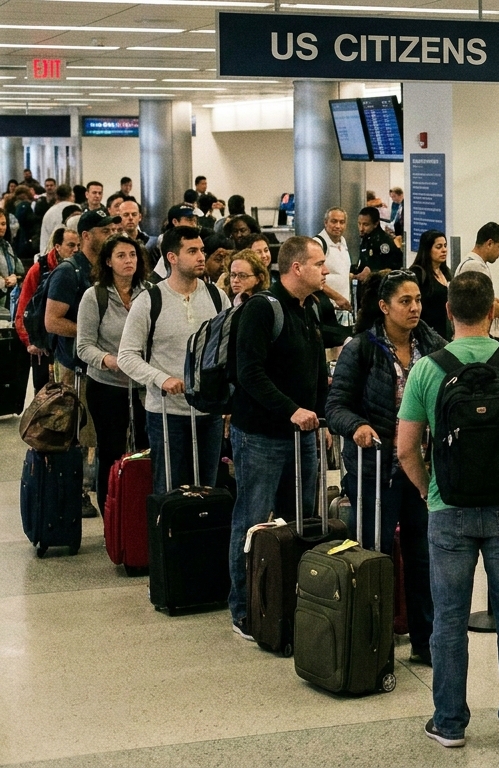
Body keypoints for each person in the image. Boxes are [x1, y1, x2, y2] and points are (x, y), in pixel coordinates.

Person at [397, 270, 499, 749]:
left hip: (448, 509)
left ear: (447, 312)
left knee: (449, 618)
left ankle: (449, 723)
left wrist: (432, 488)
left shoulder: (429, 368)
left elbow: (406, 447)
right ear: (493, 311)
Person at [327, 270, 448, 666]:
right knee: (375, 557)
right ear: (384, 307)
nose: (415, 308)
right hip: (374, 469)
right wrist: (357, 426)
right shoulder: (360, 348)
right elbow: (336, 407)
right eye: (405, 302)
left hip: (419, 469)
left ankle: (426, 641)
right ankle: (372, 641)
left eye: (417, 300)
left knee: (422, 556)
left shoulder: (430, 343)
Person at [226, 235, 330, 641]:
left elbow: (316, 370)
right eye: (319, 263)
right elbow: (247, 374)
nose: (326, 270)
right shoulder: (260, 310)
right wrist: (291, 409)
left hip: (303, 436)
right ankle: (244, 610)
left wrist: (319, 418)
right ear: (296, 268)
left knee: (299, 521)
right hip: (261, 438)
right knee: (252, 522)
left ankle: (289, 602)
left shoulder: (310, 308)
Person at [116, 225, 229, 495]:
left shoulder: (217, 297)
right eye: (192, 251)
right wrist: (161, 378)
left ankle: (199, 538)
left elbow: (229, 349)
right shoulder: (150, 300)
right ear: (172, 258)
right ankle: (167, 538)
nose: (201, 256)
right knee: (170, 491)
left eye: (202, 250)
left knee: (207, 491)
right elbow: (126, 355)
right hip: (167, 414)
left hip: (209, 412)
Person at [76, 234, 152, 513]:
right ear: (108, 261)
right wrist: (109, 360)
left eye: (132, 255)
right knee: (110, 449)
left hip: (144, 386)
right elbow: (83, 346)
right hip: (107, 385)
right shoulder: (94, 296)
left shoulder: (149, 292)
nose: (128, 261)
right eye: (121, 256)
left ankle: (141, 509)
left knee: (146, 447)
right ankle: (111, 509)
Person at [47, 210, 118, 384]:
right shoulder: (68, 271)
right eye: (105, 231)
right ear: (86, 236)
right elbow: (52, 321)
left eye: (113, 230)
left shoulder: (108, 268)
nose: (112, 236)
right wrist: (91, 331)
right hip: (74, 366)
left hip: (102, 364)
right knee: (77, 410)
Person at [17, 228, 77, 392]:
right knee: (44, 395)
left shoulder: (78, 271)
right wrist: (30, 341)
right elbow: (23, 308)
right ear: (58, 246)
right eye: (71, 245)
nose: (75, 250)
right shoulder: (39, 269)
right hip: (42, 347)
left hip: (66, 346)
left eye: (78, 245)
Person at [409, 229, 452, 339]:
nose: (444, 250)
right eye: (438, 247)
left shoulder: (446, 272)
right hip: (425, 334)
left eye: (445, 246)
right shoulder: (417, 274)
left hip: (445, 332)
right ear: (428, 250)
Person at [314, 207, 354, 311]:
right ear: (325, 222)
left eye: (342, 222)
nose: (338, 226)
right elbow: (313, 278)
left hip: (342, 307)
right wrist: (337, 297)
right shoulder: (317, 243)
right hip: (324, 307)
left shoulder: (343, 242)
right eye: (334, 221)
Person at [354, 205, 402, 279]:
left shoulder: (383, 242)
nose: (361, 228)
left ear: (376, 224)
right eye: (359, 224)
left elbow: (390, 268)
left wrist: (372, 271)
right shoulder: (366, 237)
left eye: (365, 224)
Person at [38, 183, 72, 253]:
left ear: (56, 196)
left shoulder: (49, 212)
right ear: (71, 195)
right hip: (72, 254)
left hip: (51, 254)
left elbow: (44, 238)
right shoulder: (77, 209)